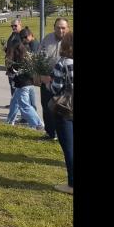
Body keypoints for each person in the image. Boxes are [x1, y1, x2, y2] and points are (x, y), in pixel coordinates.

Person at [42, 32, 73, 195]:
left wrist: (48, 82)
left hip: (66, 109)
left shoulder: (64, 63)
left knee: (69, 148)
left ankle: (72, 184)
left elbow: (55, 88)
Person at [38, 18, 70, 141]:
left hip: (66, 80)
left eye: (63, 27)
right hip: (48, 78)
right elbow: (39, 58)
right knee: (47, 106)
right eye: (58, 27)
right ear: (54, 27)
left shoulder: (71, 40)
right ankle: (50, 133)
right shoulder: (47, 39)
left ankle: (63, 134)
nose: (60, 30)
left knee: (63, 108)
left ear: (68, 28)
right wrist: (40, 75)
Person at [4, 40, 44, 130]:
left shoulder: (15, 61)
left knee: (25, 106)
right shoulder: (26, 57)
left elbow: (10, 72)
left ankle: (38, 124)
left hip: (22, 85)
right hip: (28, 84)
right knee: (14, 102)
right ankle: (10, 121)